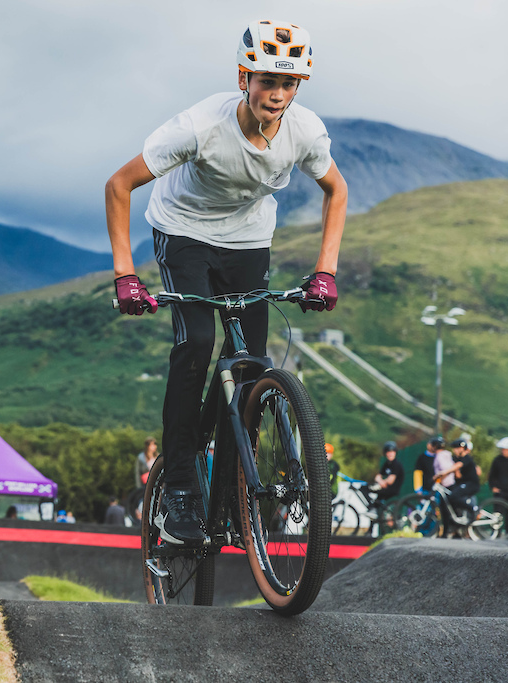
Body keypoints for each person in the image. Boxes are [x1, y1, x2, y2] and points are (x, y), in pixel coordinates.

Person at [107, 19, 347, 545]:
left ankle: (232, 477)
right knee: (196, 344)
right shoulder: (198, 127)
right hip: (183, 232)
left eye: (289, 84)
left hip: (247, 241)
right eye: (267, 81)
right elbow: (119, 185)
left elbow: (337, 190)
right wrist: (126, 275)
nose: (278, 94)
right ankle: (182, 482)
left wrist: (324, 270)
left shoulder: (305, 132)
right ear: (244, 77)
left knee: (251, 366)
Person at [436, 438, 480, 530]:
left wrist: (444, 472)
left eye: (456, 448)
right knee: (447, 500)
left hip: (471, 484)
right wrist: (438, 479)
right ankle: (452, 526)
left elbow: (457, 466)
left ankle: (473, 509)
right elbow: (455, 472)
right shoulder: (456, 458)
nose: (454, 450)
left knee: (453, 496)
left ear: (461, 448)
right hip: (461, 484)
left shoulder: (466, 457)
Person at [365, 441, 403, 520]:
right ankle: (372, 511)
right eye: (388, 452)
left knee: (367, 490)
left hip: (392, 489)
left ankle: (372, 508)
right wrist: (382, 482)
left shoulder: (396, 464)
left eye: (392, 452)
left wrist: (382, 482)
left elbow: (390, 481)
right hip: (385, 487)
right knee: (366, 488)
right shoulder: (387, 463)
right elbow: (377, 477)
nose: (390, 454)